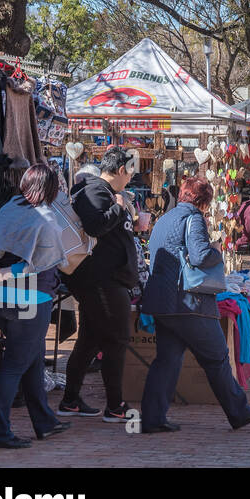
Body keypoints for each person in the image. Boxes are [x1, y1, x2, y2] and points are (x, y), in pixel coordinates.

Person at [140, 177, 250, 433]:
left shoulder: (165, 219)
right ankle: (238, 411)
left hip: (162, 302)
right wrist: (216, 250)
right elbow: (199, 255)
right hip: (188, 302)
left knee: (166, 360)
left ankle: (152, 418)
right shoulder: (194, 218)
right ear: (205, 202)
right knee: (216, 357)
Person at [0, 163, 71, 449]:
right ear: (52, 189)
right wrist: (8, 272)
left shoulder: (8, 209)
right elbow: (42, 262)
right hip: (31, 301)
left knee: (32, 358)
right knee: (15, 365)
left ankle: (45, 422)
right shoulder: (46, 218)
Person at [60, 146, 139, 423]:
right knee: (117, 339)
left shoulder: (105, 193)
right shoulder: (96, 191)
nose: (130, 178)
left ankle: (70, 400)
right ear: (121, 170)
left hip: (106, 279)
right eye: (129, 172)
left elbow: (108, 229)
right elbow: (96, 226)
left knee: (90, 340)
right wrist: (119, 207)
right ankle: (115, 405)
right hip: (102, 280)